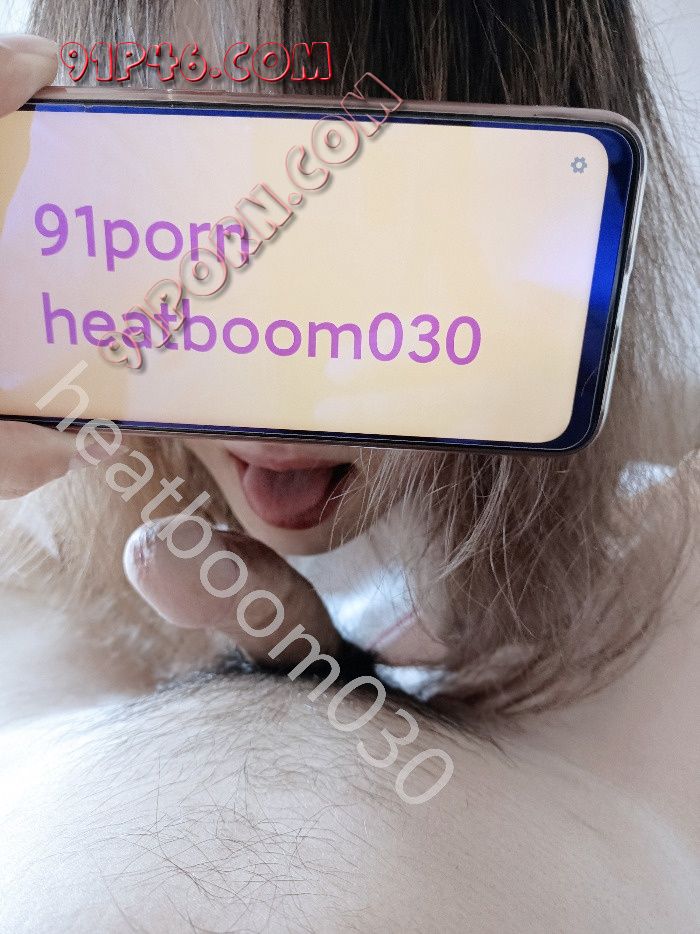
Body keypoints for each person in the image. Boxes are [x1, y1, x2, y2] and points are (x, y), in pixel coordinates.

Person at [0, 2, 698, 929]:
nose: (275, 363)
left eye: (376, 236)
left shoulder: (663, 584)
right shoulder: (38, 551)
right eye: (181, 225)